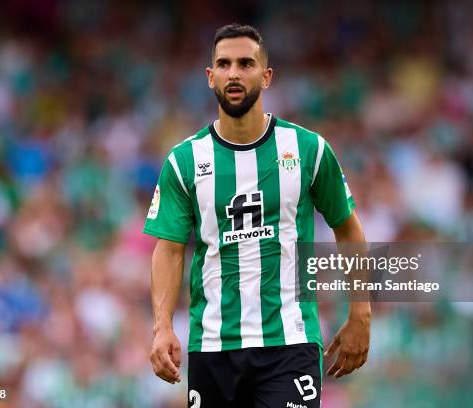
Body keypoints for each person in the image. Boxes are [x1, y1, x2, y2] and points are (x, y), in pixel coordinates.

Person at [143, 23, 370, 408]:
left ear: (266, 76)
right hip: (213, 344)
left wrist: (360, 313)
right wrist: (162, 325)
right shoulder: (184, 161)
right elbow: (169, 250)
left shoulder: (308, 149)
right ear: (210, 76)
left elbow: (347, 228)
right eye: (224, 64)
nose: (234, 73)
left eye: (246, 63)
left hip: (290, 341)